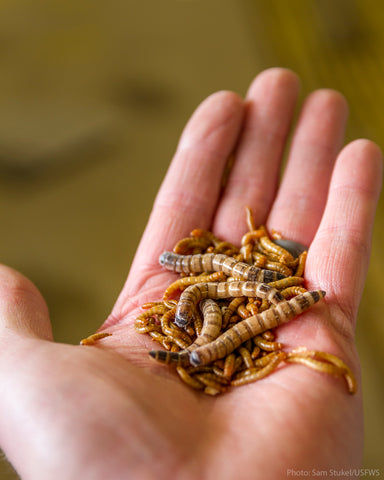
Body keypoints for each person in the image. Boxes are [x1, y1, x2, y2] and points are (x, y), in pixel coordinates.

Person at [0, 68, 382, 480]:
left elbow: (217, 298)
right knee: (228, 296)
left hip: (233, 292)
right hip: (224, 296)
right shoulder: (203, 304)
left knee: (234, 295)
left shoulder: (224, 299)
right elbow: (206, 298)